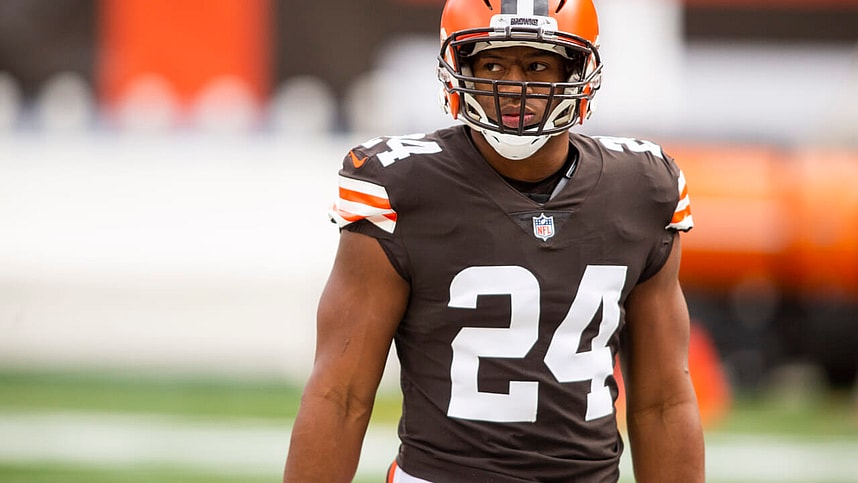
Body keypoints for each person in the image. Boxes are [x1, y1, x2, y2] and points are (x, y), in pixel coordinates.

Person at [284, 0, 705, 481]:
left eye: (537, 65)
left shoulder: (641, 189)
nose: (514, 86)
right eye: (493, 65)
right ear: (459, 68)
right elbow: (340, 396)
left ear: (577, 71)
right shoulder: (403, 187)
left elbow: (663, 402)